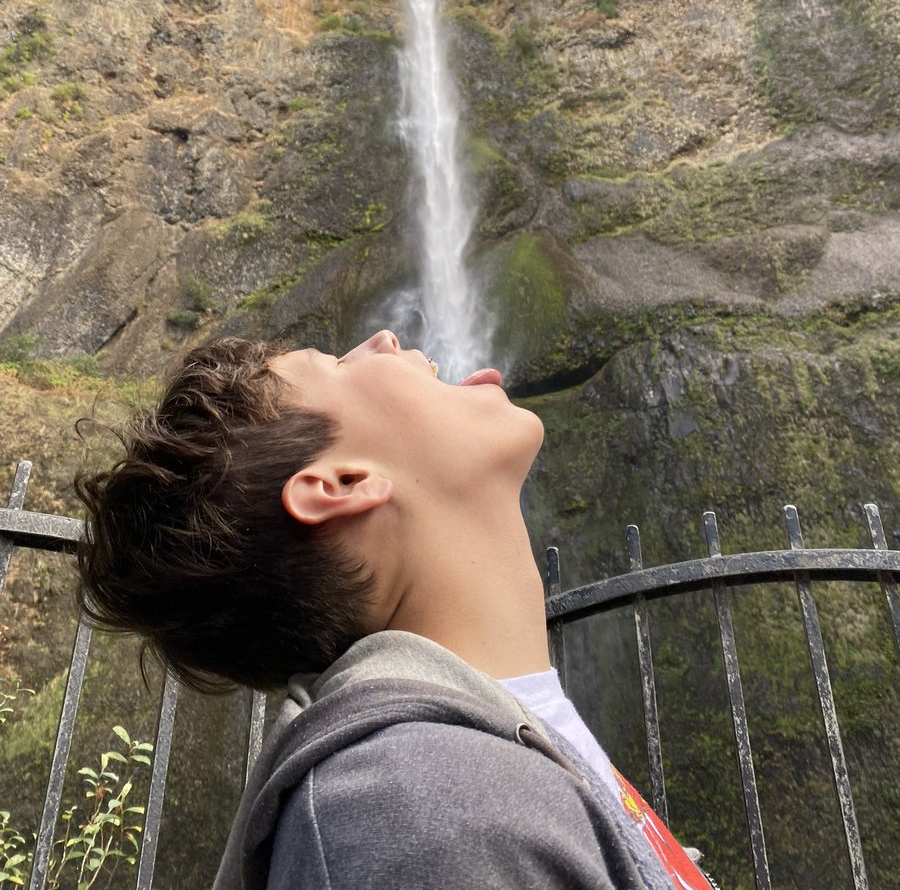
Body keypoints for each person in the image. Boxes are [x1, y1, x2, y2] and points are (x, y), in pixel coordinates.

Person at [76, 330, 717, 890]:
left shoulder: (484, 773)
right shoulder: (417, 807)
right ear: (342, 484)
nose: (383, 338)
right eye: (337, 363)